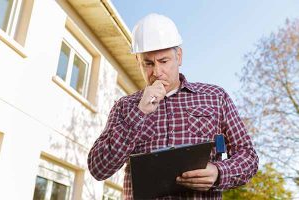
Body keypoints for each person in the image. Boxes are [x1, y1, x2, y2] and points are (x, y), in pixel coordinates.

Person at [88, 13, 259, 199]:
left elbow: (248, 156)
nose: (156, 72)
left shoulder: (216, 97)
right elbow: (99, 168)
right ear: (138, 62)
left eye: (163, 61)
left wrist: (219, 172)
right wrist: (139, 113)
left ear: (179, 56)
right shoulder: (125, 106)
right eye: (147, 63)